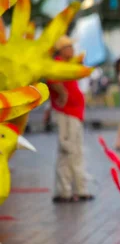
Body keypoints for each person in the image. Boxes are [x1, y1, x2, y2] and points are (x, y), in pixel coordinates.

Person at [48, 36, 94, 203]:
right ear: (61, 49)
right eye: (69, 46)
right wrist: (62, 93)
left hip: (74, 113)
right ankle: (64, 190)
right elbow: (52, 79)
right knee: (67, 151)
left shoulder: (68, 63)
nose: (72, 49)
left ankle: (77, 189)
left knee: (76, 151)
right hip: (65, 113)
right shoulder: (57, 63)